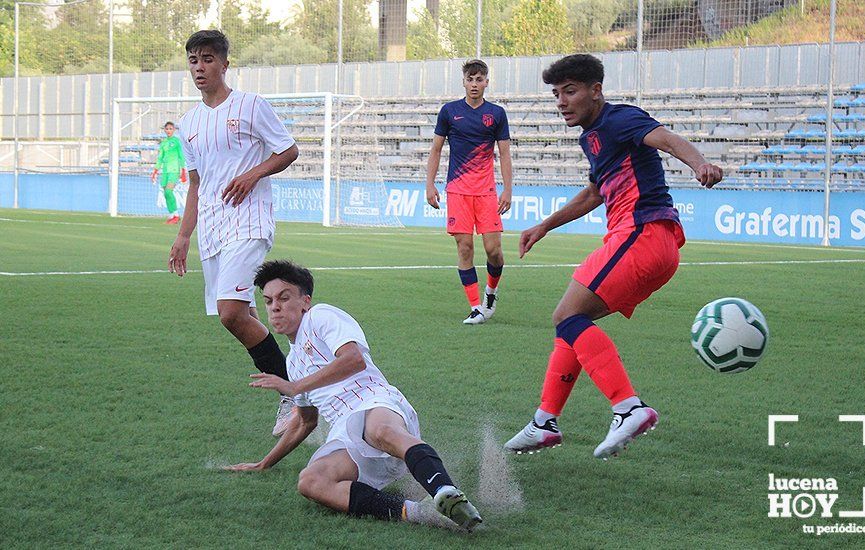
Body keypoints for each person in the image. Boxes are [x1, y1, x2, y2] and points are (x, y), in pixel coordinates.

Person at [504, 54, 723, 459]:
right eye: (556, 94)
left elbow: (668, 139)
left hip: (642, 234)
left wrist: (700, 163)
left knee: (566, 318)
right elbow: (593, 194)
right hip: (648, 244)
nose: (562, 102)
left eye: (570, 91)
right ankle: (543, 421)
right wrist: (544, 226)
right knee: (571, 323)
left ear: (596, 91)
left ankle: (628, 407)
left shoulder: (620, 119)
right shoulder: (591, 137)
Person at [225, 260, 483, 532]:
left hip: (373, 400)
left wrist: (296, 387)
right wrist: (265, 463)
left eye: (284, 297)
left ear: (305, 302)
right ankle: (420, 512)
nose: (275, 307)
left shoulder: (320, 316)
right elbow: (305, 422)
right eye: (268, 301)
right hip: (344, 433)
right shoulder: (293, 363)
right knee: (311, 482)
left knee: (380, 429)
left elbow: (354, 359)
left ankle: (444, 491)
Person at [167, 30, 300, 436]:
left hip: (248, 221)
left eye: (207, 59)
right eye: (193, 60)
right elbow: (196, 184)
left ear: (225, 63)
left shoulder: (250, 106)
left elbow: (289, 149)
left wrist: (253, 173)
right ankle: (305, 377)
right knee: (241, 315)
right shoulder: (188, 123)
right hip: (211, 228)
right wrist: (183, 237)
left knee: (229, 312)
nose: (199, 67)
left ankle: (293, 393)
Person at [426, 59, 513, 325]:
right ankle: (476, 306)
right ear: (464, 81)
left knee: (493, 249)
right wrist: (430, 184)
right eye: (470, 79)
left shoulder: (496, 114)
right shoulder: (449, 111)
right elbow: (437, 149)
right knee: (464, 248)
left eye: (479, 80)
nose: (474, 85)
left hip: (486, 192)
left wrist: (507, 189)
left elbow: (505, 152)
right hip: (457, 191)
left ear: (486, 82)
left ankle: (491, 293)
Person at [151, 121, 187, 224]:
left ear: (174, 130)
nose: (169, 131)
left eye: (171, 129)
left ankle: (176, 215)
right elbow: (160, 158)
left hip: (174, 170)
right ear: (164, 130)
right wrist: (155, 170)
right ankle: (172, 215)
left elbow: (181, 156)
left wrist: (183, 170)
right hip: (165, 172)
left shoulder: (176, 142)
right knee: (166, 194)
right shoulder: (163, 143)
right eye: (167, 129)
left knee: (168, 191)